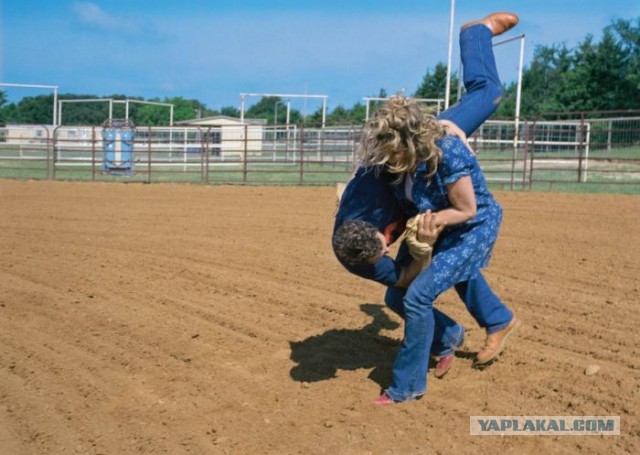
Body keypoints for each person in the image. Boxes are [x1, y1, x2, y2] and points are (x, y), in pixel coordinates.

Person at [355, 12, 521, 405]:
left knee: (416, 298)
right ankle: (456, 334)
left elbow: (466, 210)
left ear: (410, 142)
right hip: (438, 219)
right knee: (396, 296)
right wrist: (388, 230)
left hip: (470, 223)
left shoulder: (446, 151)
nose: (384, 157)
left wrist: (430, 224)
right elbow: (399, 198)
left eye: (390, 150)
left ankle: (407, 386)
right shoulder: (403, 158)